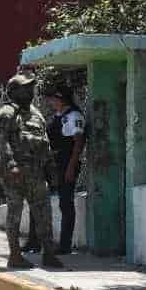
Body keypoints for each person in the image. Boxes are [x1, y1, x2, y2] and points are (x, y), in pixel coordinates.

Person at [0, 73, 62, 270]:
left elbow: (45, 142)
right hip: (15, 174)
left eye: (31, 87)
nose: (30, 91)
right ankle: (15, 254)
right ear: (13, 92)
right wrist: (11, 164)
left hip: (36, 173)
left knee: (44, 213)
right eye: (25, 88)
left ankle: (49, 253)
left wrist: (51, 169)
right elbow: (1, 142)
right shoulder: (6, 113)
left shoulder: (36, 114)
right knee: (15, 213)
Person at [45, 84, 87, 255]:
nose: (51, 101)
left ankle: (65, 245)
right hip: (54, 164)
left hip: (66, 164)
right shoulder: (58, 116)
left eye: (54, 98)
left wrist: (71, 167)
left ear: (62, 99)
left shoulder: (74, 116)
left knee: (66, 203)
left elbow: (78, 143)